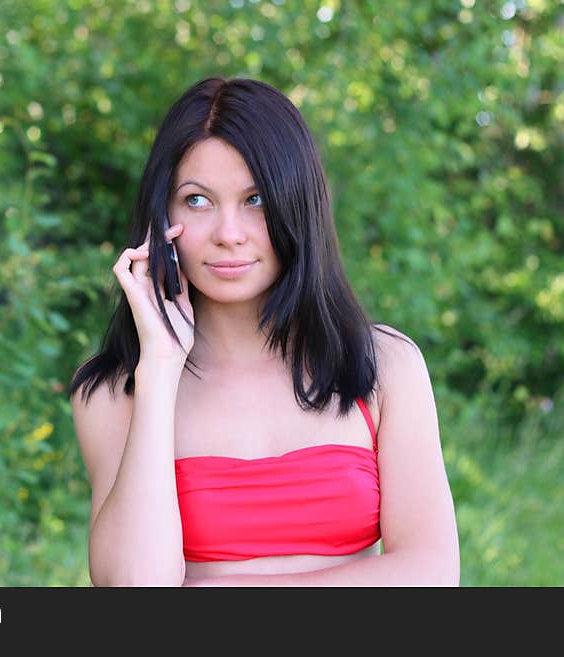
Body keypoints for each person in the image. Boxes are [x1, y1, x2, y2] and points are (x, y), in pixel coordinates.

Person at [67, 77, 459, 587]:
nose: (229, 234)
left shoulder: (382, 365)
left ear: (296, 205)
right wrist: (160, 368)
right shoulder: (115, 391)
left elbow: (431, 576)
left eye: (255, 199)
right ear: (161, 216)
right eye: (198, 201)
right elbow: (134, 589)